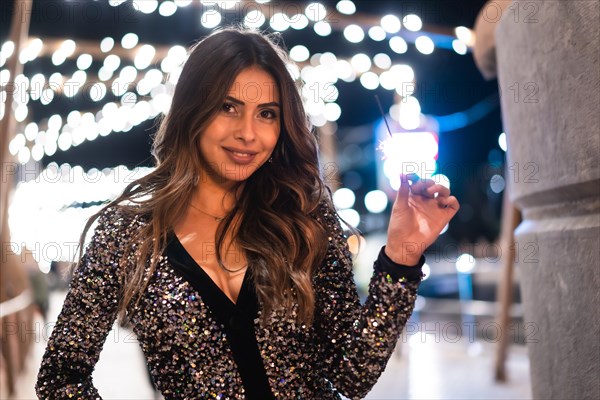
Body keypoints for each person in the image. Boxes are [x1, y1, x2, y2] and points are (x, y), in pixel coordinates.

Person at [35, 27, 459, 400]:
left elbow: (351, 374)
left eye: (267, 114)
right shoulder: (126, 236)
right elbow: (60, 378)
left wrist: (402, 256)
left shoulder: (304, 218)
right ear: (192, 110)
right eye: (228, 107)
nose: (248, 133)